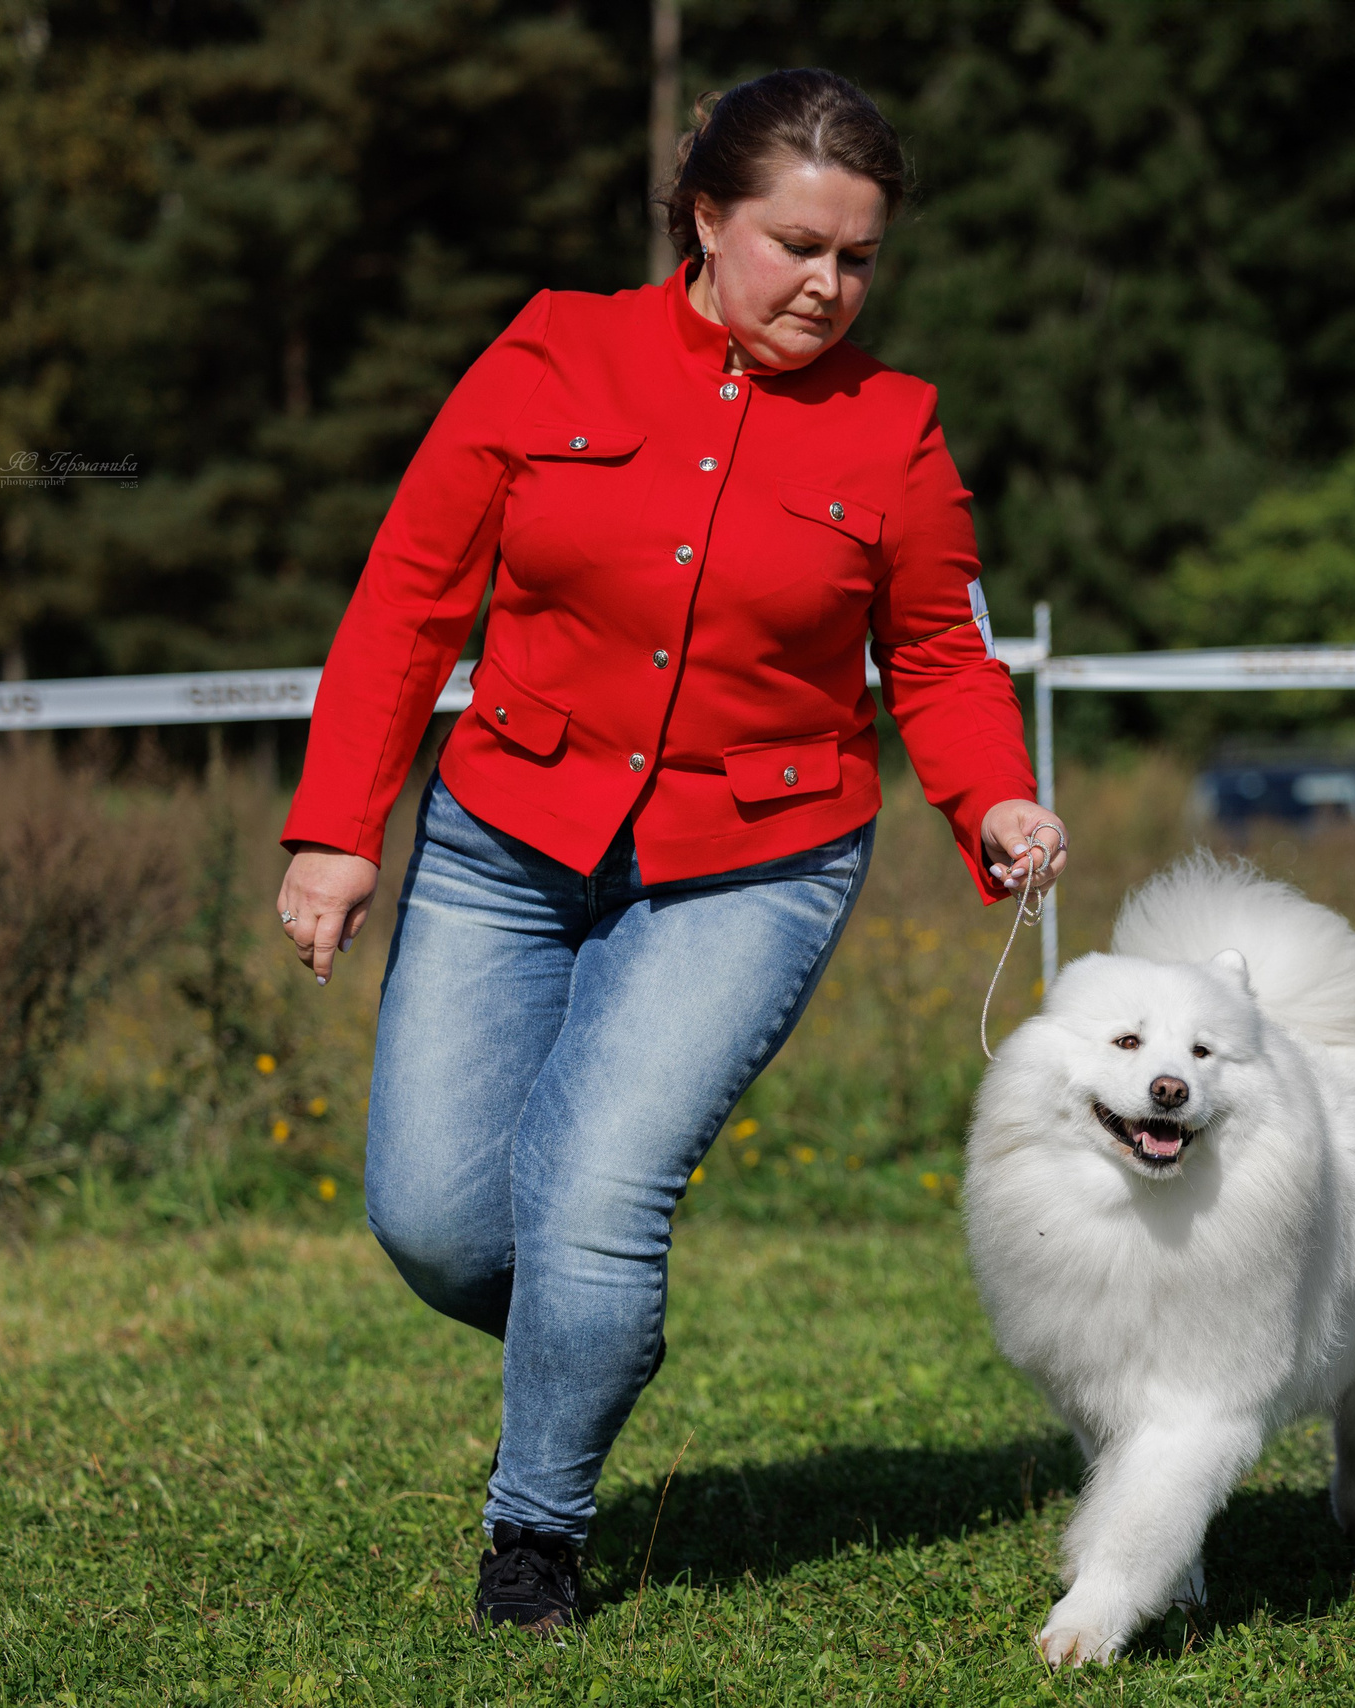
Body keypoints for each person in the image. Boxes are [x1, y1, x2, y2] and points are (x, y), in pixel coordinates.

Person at [272, 68, 1068, 1635]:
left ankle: (538, 1536)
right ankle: (595, 1320)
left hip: (756, 863)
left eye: (859, 259)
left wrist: (995, 798)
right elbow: (408, 598)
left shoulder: (895, 432)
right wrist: (333, 834)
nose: (828, 286)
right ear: (706, 217)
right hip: (507, 833)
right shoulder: (552, 348)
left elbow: (942, 658)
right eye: (796, 246)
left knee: (592, 1193)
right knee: (434, 1221)